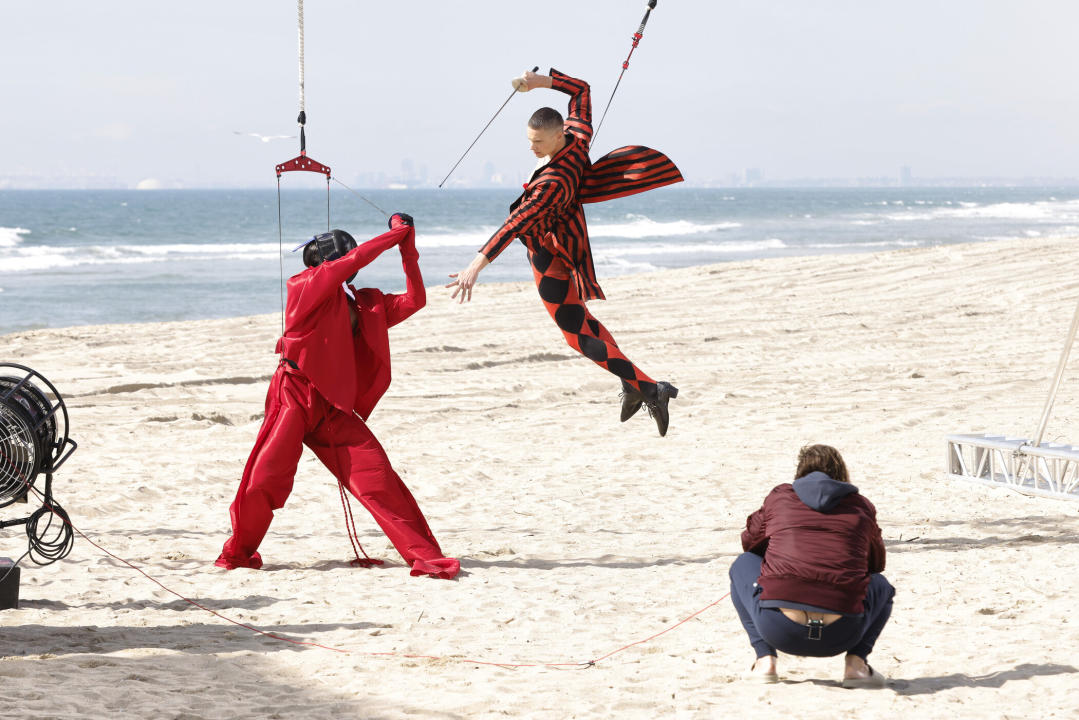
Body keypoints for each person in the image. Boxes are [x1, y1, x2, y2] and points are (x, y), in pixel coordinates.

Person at [215, 214, 459, 580]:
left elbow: (415, 300)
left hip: (334, 406)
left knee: (378, 478)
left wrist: (408, 251)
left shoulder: (365, 304)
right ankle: (237, 553)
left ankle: (425, 556)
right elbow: (352, 262)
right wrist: (394, 235)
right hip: (293, 394)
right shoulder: (304, 285)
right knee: (266, 477)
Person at [446, 68, 684, 436]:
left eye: (538, 142)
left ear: (558, 135)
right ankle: (633, 386)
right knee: (585, 321)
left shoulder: (553, 184)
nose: (532, 148)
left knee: (576, 334)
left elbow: (514, 224)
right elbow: (582, 91)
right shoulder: (577, 139)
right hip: (568, 244)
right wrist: (541, 83)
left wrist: (476, 264)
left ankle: (652, 388)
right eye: (529, 140)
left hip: (550, 259)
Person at [729, 444, 894, 687]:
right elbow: (876, 564)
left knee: (742, 564)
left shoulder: (781, 497)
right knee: (881, 585)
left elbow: (749, 541)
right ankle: (856, 665)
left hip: (778, 628)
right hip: (843, 631)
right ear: (841, 475)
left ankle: (765, 660)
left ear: (800, 472)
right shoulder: (861, 506)